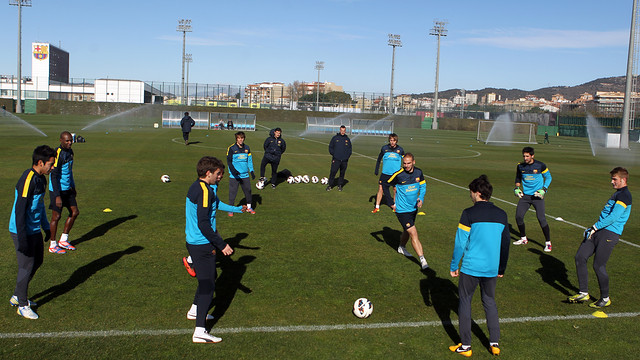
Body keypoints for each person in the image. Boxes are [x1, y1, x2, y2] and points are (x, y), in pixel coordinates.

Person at [185, 156, 246, 343]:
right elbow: (203, 223)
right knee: (208, 286)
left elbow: (214, 205)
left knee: (208, 279)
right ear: (208, 173)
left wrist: (236, 209)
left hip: (194, 241)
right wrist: (222, 244)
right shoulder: (204, 191)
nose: (221, 177)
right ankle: (200, 332)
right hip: (202, 244)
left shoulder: (199, 187)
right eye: (218, 174)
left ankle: (195, 311)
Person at [449, 175, 510, 357]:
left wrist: (454, 264)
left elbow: (460, 242)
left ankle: (466, 346)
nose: (470, 196)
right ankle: (495, 343)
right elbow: (505, 243)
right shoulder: (502, 214)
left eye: (471, 192)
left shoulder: (469, 213)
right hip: (492, 268)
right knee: (489, 302)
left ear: (477, 193)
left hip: (470, 267)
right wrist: (501, 268)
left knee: (465, 302)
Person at [568, 167, 632, 308]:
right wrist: (594, 229)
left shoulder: (624, 195)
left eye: (614, 179)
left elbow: (614, 217)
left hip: (609, 233)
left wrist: (594, 227)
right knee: (580, 257)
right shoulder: (617, 194)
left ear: (623, 180)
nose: (612, 182)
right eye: (612, 179)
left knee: (598, 265)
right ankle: (583, 293)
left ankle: (605, 298)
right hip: (598, 231)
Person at [9, 145, 56, 319]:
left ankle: (17, 295)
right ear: (40, 162)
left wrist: (45, 227)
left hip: (35, 228)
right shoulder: (28, 179)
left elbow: (40, 207)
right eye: (50, 164)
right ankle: (22, 305)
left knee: (38, 261)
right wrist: (22, 238)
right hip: (22, 230)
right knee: (26, 265)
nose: (52, 167)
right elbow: (20, 211)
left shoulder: (42, 179)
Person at [387, 153, 428, 270]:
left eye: (408, 163)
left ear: (413, 162)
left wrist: (421, 198)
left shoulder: (419, 172)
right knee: (413, 233)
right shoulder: (398, 175)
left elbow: (423, 186)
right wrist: (391, 203)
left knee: (407, 230)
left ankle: (401, 247)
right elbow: (385, 185)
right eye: (404, 163)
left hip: (413, 208)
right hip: (402, 210)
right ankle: (422, 260)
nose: (406, 165)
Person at [513, 146, 553, 252]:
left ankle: (548, 243)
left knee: (541, 218)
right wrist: (517, 188)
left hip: (537, 196)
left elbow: (549, 177)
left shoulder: (540, 165)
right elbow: (518, 178)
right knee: (518, 217)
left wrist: (544, 189)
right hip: (525, 196)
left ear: (532, 156)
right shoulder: (520, 166)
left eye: (527, 156)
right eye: (524, 156)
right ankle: (523, 238)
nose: (525, 158)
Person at [48, 131, 79, 254]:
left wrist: (73, 186)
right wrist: (57, 196)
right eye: (67, 141)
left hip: (68, 189)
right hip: (58, 190)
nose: (70, 143)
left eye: (71, 140)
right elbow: (53, 176)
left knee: (75, 212)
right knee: (56, 216)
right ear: (61, 140)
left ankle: (63, 240)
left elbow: (69, 171)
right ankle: (52, 244)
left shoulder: (70, 152)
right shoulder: (58, 154)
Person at [372, 133, 404, 212]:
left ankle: (395, 206)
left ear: (396, 141)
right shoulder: (384, 148)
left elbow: (405, 160)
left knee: (395, 189)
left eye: (394, 140)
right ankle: (377, 206)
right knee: (381, 188)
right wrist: (376, 169)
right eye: (391, 140)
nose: (392, 142)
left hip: (395, 174)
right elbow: (379, 159)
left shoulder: (400, 150)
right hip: (385, 173)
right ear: (389, 140)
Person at [226, 131, 256, 216]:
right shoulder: (231, 148)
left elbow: (249, 160)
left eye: (242, 138)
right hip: (234, 175)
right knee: (233, 192)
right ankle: (231, 209)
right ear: (236, 139)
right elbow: (229, 161)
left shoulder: (247, 148)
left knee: (248, 191)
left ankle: (249, 207)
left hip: (245, 175)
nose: (240, 140)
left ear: (244, 138)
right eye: (239, 138)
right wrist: (233, 170)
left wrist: (252, 171)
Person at [326, 125, 352, 191]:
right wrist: (334, 155)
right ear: (340, 130)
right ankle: (330, 185)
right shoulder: (335, 138)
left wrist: (347, 157)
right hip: (336, 159)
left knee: (342, 173)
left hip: (344, 160)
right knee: (333, 172)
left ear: (345, 131)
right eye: (342, 130)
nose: (343, 132)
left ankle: (340, 185)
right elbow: (330, 147)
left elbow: (350, 149)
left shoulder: (347, 139)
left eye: (344, 131)